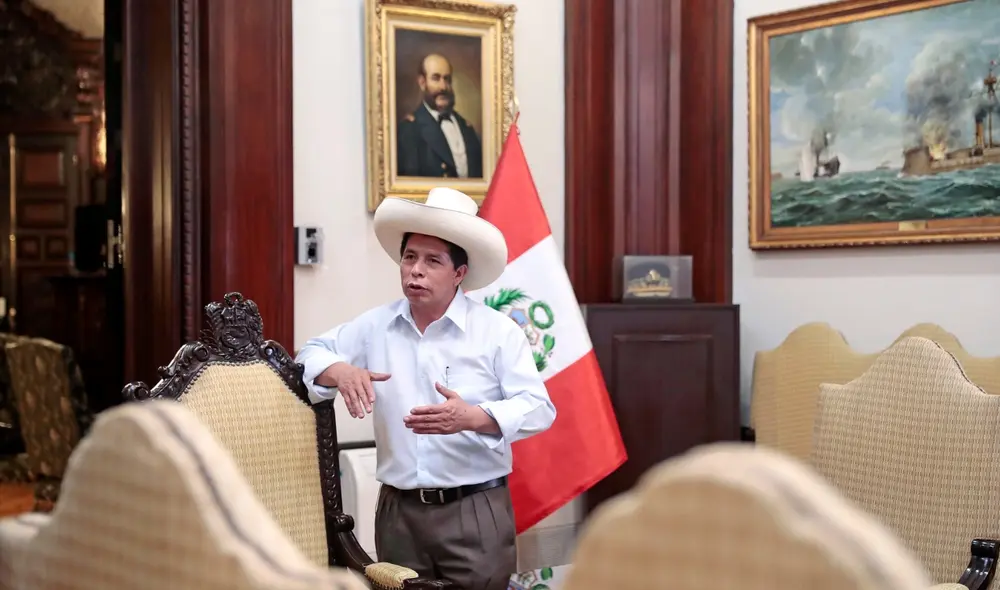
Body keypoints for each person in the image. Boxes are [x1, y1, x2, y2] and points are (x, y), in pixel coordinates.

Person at [296, 187, 556, 590]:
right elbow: (308, 354)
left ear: (459, 273)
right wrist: (339, 369)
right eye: (409, 257)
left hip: (474, 510)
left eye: (432, 261)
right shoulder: (375, 325)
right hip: (398, 513)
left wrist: (474, 417)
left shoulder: (496, 332)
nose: (415, 270)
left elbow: (540, 408)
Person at [397, 53, 484, 178]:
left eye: (447, 79)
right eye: (436, 78)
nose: (443, 87)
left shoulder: (467, 128)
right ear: (422, 83)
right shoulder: (409, 130)